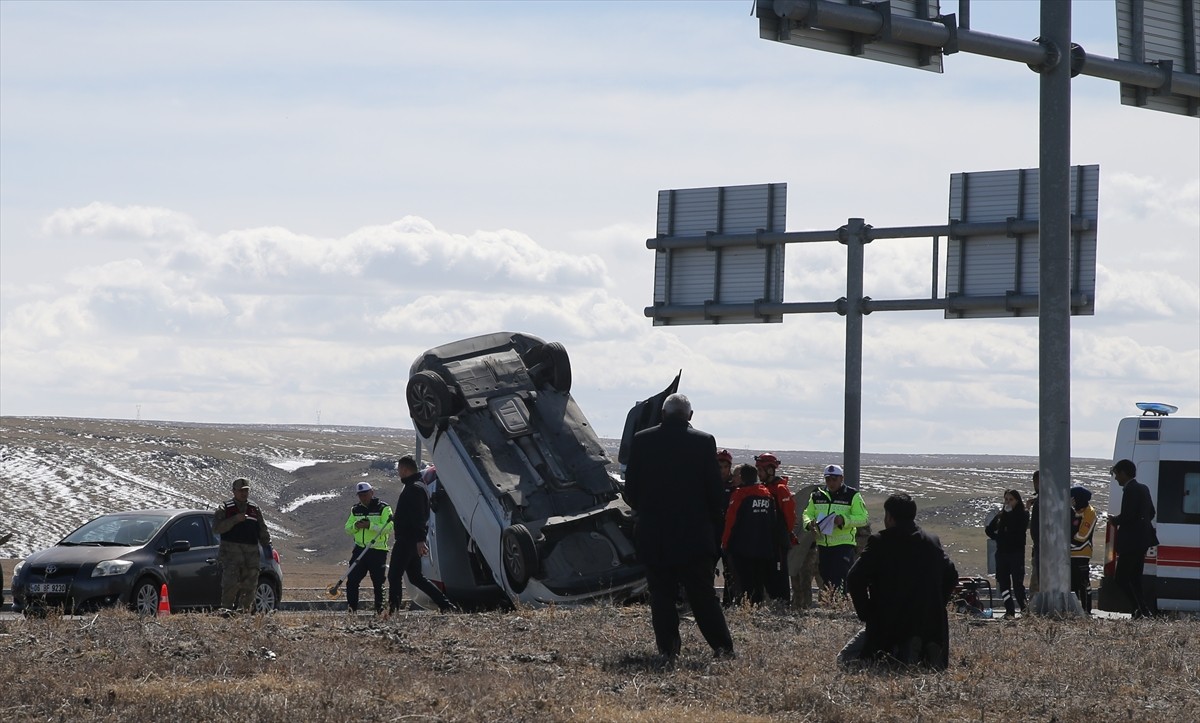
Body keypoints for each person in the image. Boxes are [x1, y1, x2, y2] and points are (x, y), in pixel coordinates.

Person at [623, 393, 735, 662]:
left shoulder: (642, 440)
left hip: (655, 534)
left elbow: (631, 493)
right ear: (690, 416)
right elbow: (715, 494)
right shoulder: (704, 442)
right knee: (703, 595)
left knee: (661, 595)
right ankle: (723, 648)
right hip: (694, 536)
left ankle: (668, 650)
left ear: (663, 414)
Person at [840, 493, 958, 671]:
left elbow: (855, 577)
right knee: (922, 664)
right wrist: (936, 604)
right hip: (928, 622)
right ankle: (919, 653)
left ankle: (902, 653)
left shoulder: (880, 542)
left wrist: (868, 613)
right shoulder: (932, 542)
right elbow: (951, 575)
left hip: (889, 620)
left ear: (889, 516)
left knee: (845, 659)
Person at [389, 455, 457, 614]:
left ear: (405, 469)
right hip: (412, 539)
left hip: (407, 539)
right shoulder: (417, 486)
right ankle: (446, 605)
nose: (398, 473)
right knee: (416, 577)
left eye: (399, 469)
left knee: (394, 575)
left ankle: (393, 611)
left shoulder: (414, 488)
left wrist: (420, 539)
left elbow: (419, 516)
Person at [722, 464, 787, 605]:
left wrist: (725, 543)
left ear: (742, 477)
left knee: (744, 581)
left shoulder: (739, 495)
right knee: (758, 581)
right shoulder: (766, 494)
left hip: (742, 548)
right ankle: (757, 606)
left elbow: (730, 521)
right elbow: (772, 521)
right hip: (764, 548)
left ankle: (746, 607)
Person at [802, 463, 869, 593]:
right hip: (823, 545)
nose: (831, 483)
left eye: (834, 479)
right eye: (828, 479)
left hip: (843, 545)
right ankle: (832, 608)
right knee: (826, 581)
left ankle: (841, 608)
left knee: (840, 581)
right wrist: (809, 523)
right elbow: (807, 513)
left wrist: (844, 520)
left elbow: (863, 518)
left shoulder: (852, 495)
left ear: (841, 479)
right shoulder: (817, 495)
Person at [212, 478, 272, 612]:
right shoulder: (225, 508)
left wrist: (267, 546)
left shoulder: (254, 509)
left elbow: (262, 529)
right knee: (230, 584)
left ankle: (243, 612)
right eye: (240, 491)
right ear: (234, 491)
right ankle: (226, 611)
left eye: (246, 491)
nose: (244, 494)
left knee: (250, 585)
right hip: (231, 554)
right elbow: (216, 528)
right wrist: (234, 519)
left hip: (250, 554)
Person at [1108, 459, 1158, 619]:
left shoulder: (1130, 490)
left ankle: (1138, 609)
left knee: (1121, 578)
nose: (1116, 478)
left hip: (1131, 542)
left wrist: (1115, 520)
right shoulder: (1143, 488)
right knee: (1135, 578)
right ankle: (1143, 611)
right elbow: (1151, 513)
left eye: (1117, 474)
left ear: (1123, 473)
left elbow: (1128, 515)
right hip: (1142, 541)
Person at [344, 481, 392, 614]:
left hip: (377, 550)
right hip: (360, 550)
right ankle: (352, 611)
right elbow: (347, 528)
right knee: (352, 581)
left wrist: (370, 526)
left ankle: (380, 611)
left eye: (365, 494)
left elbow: (389, 527)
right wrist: (356, 527)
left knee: (378, 583)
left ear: (372, 493)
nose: (363, 498)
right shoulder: (356, 510)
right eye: (360, 495)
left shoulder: (383, 508)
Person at [755, 453, 795, 601]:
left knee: (780, 574)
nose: (759, 474)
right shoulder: (762, 488)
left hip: (778, 540)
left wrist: (785, 533)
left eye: (761, 470)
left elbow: (790, 516)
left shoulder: (780, 489)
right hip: (766, 541)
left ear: (770, 470)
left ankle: (783, 604)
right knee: (767, 574)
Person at [984, 489, 1028, 619]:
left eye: (1011, 500)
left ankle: (1024, 609)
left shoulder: (1023, 514)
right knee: (1003, 583)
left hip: (1016, 554)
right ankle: (1009, 610)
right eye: (1006, 499)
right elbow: (989, 530)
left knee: (1017, 584)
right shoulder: (1001, 515)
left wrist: (1009, 516)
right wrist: (998, 537)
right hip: (1002, 553)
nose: (1008, 502)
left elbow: (1017, 529)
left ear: (1017, 501)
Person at [788, 478, 821, 610]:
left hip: (813, 549)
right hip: (800, 548)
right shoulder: (800, 506)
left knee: (806, 581)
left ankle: (804, 607)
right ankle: (800, 606)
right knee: (799, 583)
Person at [716, 449, 743, 607]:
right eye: (719, 466)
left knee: (730, 571)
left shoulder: (736, 488)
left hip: (730, 534)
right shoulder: (709, 484)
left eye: (725, 466)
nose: (723, 470)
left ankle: (728, 602)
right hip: (712, 533)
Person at [1069, 485, 1097, 614]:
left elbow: (1082, 535)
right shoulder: (1073, 511)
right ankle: (1074, 610)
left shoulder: (1089, 512)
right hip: (1069, 554)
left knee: (1083, 583)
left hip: (1082, 553)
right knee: (1072, 584)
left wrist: (1069, 540)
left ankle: (1086, 610)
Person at [1027, 470, 1041, 595]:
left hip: (1041, 547)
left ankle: (1035, 607)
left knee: (1037, 582)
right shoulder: (1038, 501)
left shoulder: (1040, 502)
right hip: (1039, 547)